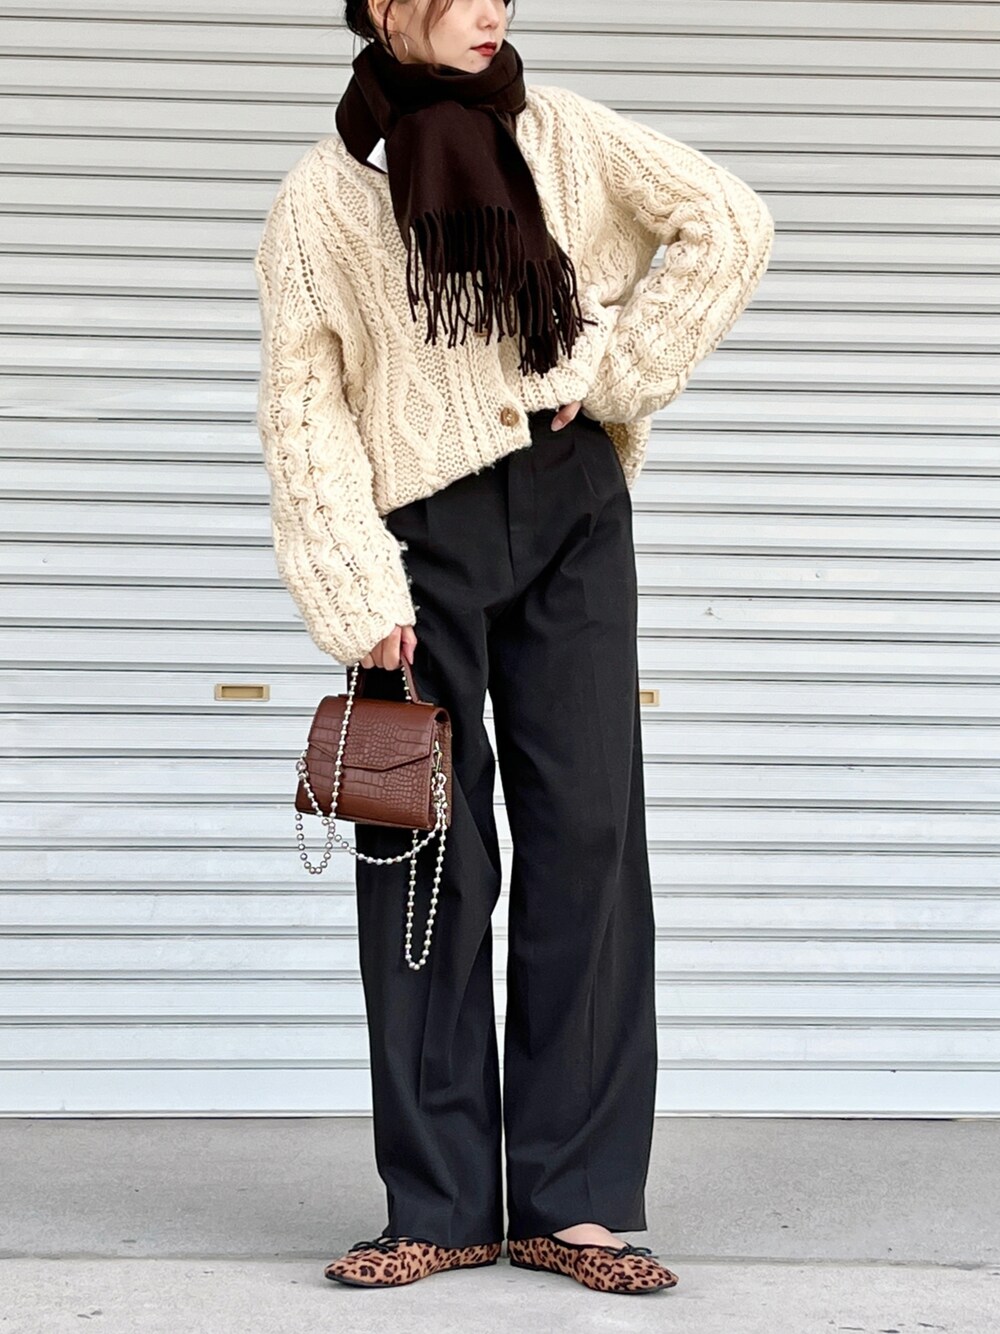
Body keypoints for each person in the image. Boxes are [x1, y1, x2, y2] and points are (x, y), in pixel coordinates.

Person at [253, 0, 774, 1297]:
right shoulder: (324, 196)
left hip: (569, 510)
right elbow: (303, 403)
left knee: (589, 832)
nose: (490, 12)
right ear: (382, 7)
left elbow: (728, 221)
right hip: (413, 543)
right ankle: (434, 1203)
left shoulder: (564, 132)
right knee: (426, 855)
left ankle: (575, 1204)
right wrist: (352, 585)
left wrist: (617, 374)